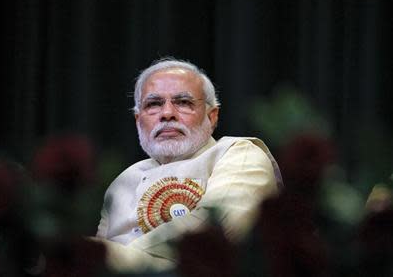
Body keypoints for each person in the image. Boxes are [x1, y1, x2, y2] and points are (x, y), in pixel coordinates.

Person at [92, 58, 282, 272]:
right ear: (138, 120)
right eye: (153, 104)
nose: (167, 113)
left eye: (183, 102)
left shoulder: (238, 152)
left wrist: (109, 258)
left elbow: (220, 228)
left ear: (212, 117)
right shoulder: (123, 180)